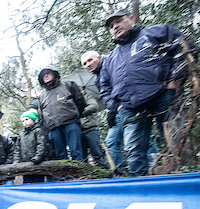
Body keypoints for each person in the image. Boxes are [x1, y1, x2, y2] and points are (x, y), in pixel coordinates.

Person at [100, 9, 187, 176]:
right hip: (131, 107)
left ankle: (182, 182)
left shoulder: (157, 32)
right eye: (111, 26)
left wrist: (176, 80)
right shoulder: (110, 58)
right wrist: (116, 106)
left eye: (118, 21)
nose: (115, 27)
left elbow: (184, 48)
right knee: (134, 151)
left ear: (131, 19)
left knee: (176, 142)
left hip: (164, 95)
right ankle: (140, 191)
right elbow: (104, 87)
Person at [82, 50, 126, 174]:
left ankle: (151, 168)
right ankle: (119, 173)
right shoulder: (98, 78)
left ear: (99, 58)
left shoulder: (112, 64)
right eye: (85, 64)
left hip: (128, 106)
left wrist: (120, 105)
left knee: (140, 139)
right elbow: (107, 95)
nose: (88, 65)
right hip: (117, 111)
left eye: (90, 60)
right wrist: (112, 111)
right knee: (111, 141)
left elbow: (121, 84)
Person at [37, 66, 87, 161]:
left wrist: (74, 115)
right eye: (43, 75)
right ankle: (64, 176)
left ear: (54, 73)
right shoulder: (41, 95)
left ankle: (79, 174)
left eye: (48, 72)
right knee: (60, 155)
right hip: (53, 128)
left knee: (76, 151)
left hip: (70, 123)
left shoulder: (69, 85)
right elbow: (41, 114)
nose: (46, 75)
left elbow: (80, 102)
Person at [65, 68, 109, 169]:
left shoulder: (88, 96)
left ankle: (104, 173)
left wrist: (79, 113)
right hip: (77, 131)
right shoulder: (71, 100)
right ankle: (85, 176)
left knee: (97, 153)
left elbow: (94, 106)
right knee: (82, 156)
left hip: (90, 129)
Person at [14, 111, 46, 184]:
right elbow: (17, 149)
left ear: (33, 120)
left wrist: (37, 158)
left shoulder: (38, 131)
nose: (24, 122)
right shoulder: (21, 135)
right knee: (27, 183)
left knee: (38, 184)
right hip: (25, 165)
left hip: (37, 164)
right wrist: (16, 162)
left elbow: (41, 145)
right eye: (23, 121)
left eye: (27, 119)